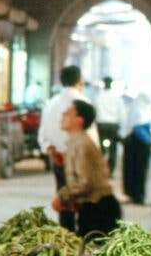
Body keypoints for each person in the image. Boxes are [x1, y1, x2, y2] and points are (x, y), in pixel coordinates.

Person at [51, 100, 121, 236]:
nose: (63, 115)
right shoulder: (76, 142)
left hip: (99, 209)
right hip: (91, 207)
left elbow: (86, 183)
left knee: (93, 252)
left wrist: (63, 196)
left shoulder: (82, 145)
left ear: (79, 120)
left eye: (68, 113)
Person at [38, 65, 98, 225]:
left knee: (64, 200)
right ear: (80, 81)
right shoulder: (84, 103)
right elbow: (92, 138)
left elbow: (43, 135)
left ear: (61, 81)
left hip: (59, 160)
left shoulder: (50, 104)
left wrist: (53, 153)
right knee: (84, 202)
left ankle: (67, 238)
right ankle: (82, 238)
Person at [122, 92, 151, 204]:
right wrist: (149, 142)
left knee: (136, 170)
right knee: (138, 170)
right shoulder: (139, 110)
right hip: (138, 144)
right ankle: (136, 195)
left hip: (136, 144)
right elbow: (137, 128)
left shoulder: (141, 109)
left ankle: (135, 194)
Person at [95, 76, 125, 174]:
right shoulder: (116, 97)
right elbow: (122, 113)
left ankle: (99, 169)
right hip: (113, 126)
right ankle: (111, 171)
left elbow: (95, 111)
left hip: (101, 125)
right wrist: (121, 125)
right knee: (113, 149)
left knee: (100, 149)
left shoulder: (98, 97)